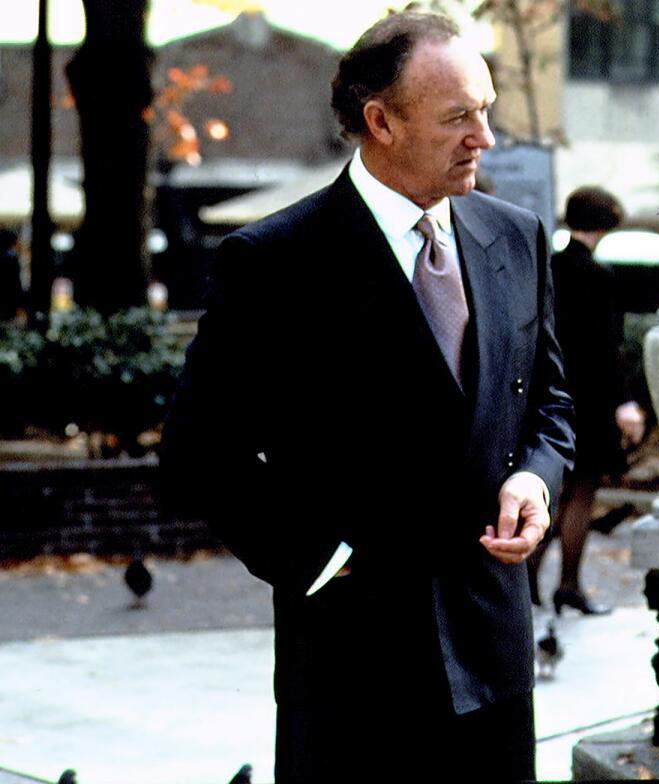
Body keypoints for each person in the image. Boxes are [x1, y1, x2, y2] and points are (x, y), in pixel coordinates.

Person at [160, 11, 573, 783]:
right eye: (458, 118)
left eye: (485, 110)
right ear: (379, 121)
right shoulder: (273, 261)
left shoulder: (516, 236)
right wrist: (319, 558)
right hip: (352, 667)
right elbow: (197, 454)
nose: (484, 137)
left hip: (494, 658)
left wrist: (534, 480)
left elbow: (548, 404)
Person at [527, 187, 644, 616]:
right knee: (581, 494)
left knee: (552, 491)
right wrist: (624, 402)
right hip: (591, 400)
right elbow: (608, 347)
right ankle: (569, 584)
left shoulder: (548, 267)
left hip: (552, 394)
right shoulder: (598, 276)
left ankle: (531, 580)